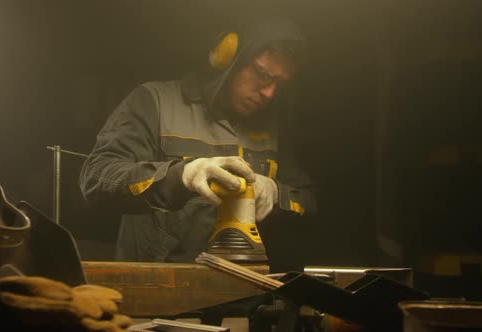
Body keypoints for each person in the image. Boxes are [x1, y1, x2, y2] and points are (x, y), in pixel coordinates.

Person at [79, 17, 317, 266]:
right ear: (229, 58)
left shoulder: (273, 126)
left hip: (244, 293)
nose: (269, 93)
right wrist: (181, 176)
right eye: (263, 74)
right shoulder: (154, 103)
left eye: (280, 83)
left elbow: (308, 200)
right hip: (160, 291)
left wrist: (274, 192)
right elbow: (95, 179)